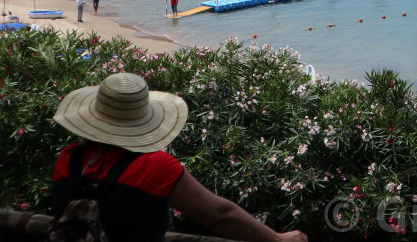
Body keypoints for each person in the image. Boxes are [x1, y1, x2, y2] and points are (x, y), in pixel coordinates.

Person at [50, 72, 307, 241]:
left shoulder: (69, 159)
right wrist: (276, 238)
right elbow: (219, 215)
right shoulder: (154, 166)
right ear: (142, 120)